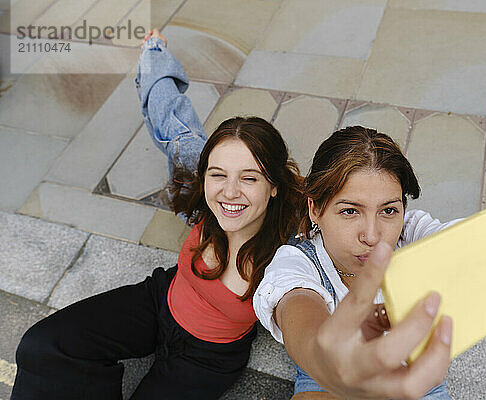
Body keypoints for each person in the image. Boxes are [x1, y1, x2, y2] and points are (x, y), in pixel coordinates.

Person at [10, 31, 302, 399]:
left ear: (274, 185)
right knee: (41, 346)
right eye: (218, 175)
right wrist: (154, 55)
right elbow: (172, 123)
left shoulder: (290, 250)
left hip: (206, 357)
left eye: (249, 178)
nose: (229, 192)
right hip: (159, 301)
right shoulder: (202, 191)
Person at [253, 126, 486, 400]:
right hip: (325, 383)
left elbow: (463, 243)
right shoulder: (296, 263)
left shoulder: (413, 233)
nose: (372, 235)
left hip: (420, 379)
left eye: (388, 210)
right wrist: (327, 361)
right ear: (315, 209)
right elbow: (303, 321)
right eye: (349, 211)